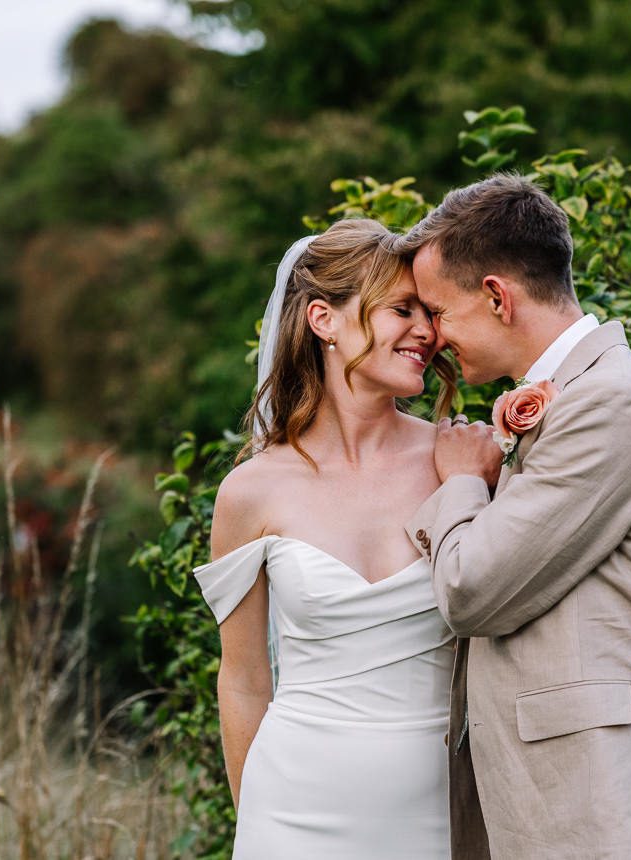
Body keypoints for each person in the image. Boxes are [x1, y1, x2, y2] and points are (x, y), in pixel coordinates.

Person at [398, 173, 631, 859]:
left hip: (622, 816)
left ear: (497, 296)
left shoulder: (609, 401)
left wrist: (467, 482)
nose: (434, 337)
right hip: (576, 809)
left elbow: (474, 590)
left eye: (439, 312)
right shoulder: (580, 399)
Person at [190, 219, 460, 857]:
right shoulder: (251, 492)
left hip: (440, 805)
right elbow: (244, 679)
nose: (427, 331)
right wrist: (255, 822)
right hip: (293, 809)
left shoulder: (462, 462)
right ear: (323, 319)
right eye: (402, 310)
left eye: (429, 312)